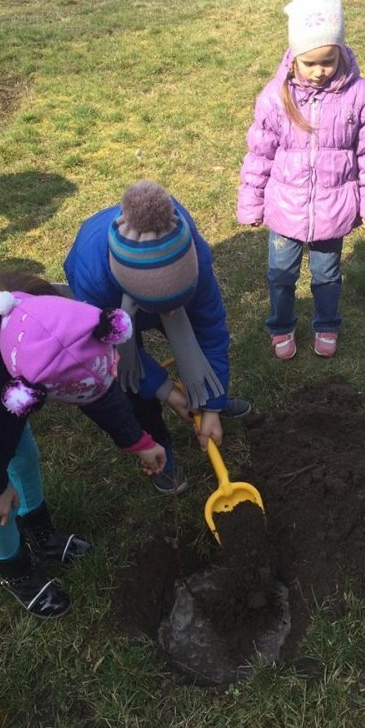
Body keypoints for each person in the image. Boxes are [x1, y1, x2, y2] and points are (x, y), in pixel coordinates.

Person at [0, 271, 166, 618]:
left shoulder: (57, 324)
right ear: (27, 391)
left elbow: (93, 388)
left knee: (24, 458)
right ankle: (14, 571)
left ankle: (40, 533)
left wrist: (137, 440)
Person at [64, 180, 250, 495]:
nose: (172, 313)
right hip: (113, 307)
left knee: (196, 343)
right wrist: (167, 392)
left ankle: (209, 398)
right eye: (163, 308)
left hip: (149, 294)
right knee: (133, 386)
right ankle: (159, 444)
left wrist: (213, 407)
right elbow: (110, 351)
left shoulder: (191, 252)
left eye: (179, 303)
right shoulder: (92, 278)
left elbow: (210, 329)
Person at [237, 0, 365, 360]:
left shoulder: (358, 95)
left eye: (328, 61)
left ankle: (326, 323)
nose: (320, 71)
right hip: (284, 208)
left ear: (340, 52)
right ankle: (280, 325)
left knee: (326, 275)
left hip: (333, 209)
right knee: (280, 275)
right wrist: (251, 204)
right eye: (310, 63)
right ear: (294, 56)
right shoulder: (275, 97)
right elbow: (259, 155)